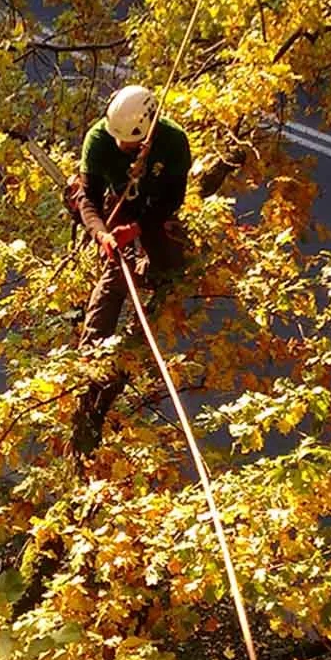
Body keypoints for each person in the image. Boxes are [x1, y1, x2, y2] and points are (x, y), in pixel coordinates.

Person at [70, 84, 191, 453]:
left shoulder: (172, 143)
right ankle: (91, 360)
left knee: (166, 262)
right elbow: (88, 197)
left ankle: (154, 276)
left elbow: (172, 199)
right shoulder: (100, 138)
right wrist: (103, 233)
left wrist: (138, 228)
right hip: (117, 205)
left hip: (153, 210)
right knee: (113, 280)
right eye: (118, 141)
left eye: (130, 143)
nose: (122, 147)